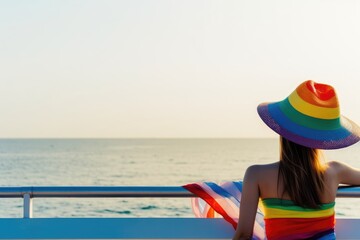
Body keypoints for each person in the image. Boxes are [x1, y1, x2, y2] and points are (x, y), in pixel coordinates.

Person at [233, 80, 360, 240]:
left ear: (283, 131)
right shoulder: (335, 171)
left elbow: (244, 234)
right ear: (321, 138)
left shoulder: (256, 175)